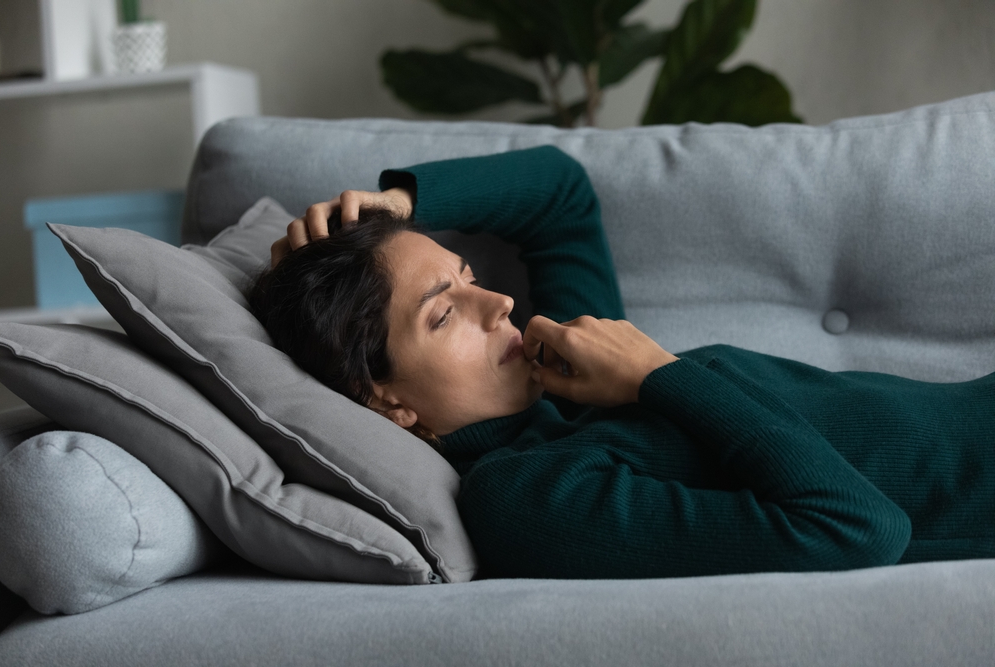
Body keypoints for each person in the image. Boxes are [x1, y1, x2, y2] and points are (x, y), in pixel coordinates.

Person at [249, 146, 995, 580]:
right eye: (444, 313)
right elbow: (861, 527)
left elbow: (560, 194)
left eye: (469, 276)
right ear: (386, 401)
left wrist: (400, 203)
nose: (499, 303)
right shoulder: (528, 493)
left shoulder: (567, 377)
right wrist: (656, 373)